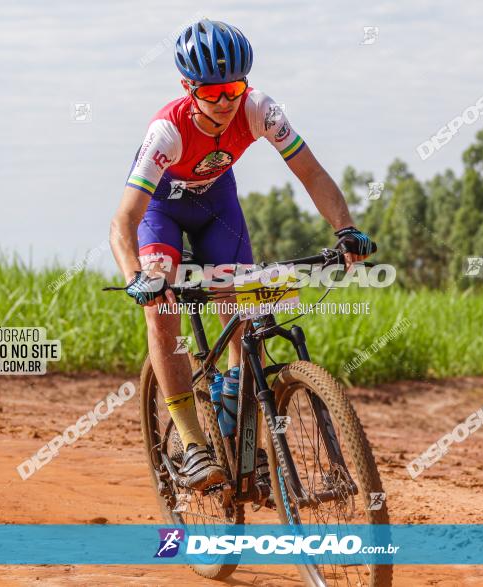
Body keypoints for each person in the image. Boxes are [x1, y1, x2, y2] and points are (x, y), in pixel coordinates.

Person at [110, 18, 375, 490]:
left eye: (233, 88)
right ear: (188, 88)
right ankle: (191, 443)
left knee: (244, 304)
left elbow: (311, 173)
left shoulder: (261, 111)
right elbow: (123, 221)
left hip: (216, 206)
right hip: (162, 211)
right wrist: (137, 277)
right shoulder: (165, 133)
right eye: (212, 93)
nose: (226, 102)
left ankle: (235, 403)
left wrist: (346, 228)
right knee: (163, 306)